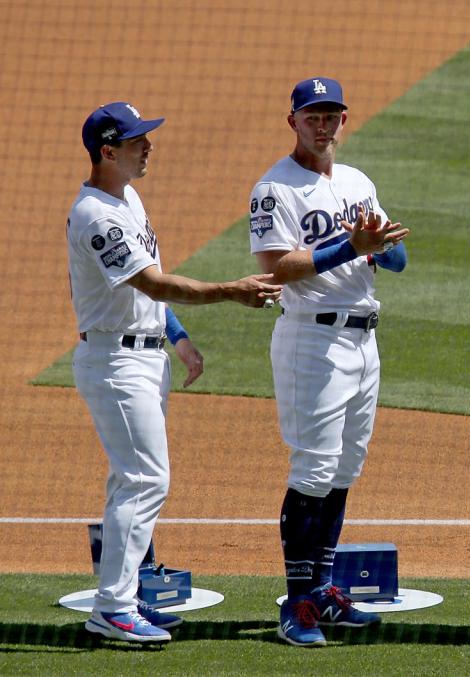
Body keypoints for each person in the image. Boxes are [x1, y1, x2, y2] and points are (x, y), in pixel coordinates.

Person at [68, 102, 282, 643]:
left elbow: (152, 286)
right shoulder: (97, 214)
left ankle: (126, 595)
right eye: (138, 140)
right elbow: (156, 284)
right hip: (116, 363)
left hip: (143, 357)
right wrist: (232, 291)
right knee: (146, 480)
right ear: (108, 152)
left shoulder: (128, 198)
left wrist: (179, 339)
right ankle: (113, 608)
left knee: (132, 481)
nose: (149, 146)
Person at [249, 76, 409, 647]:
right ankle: (296, 606)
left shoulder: (358, 182)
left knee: (343, 471)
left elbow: (398, 256)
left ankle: (322, 591)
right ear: (292, 120)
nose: (323, 125)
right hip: (312, 342)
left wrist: (381, 245)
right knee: (313, 471)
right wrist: (351, 246)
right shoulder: (275, 188)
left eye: (332, 115)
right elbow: (276, 266)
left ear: (345, 119)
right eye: (312, 116)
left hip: (364, 340)